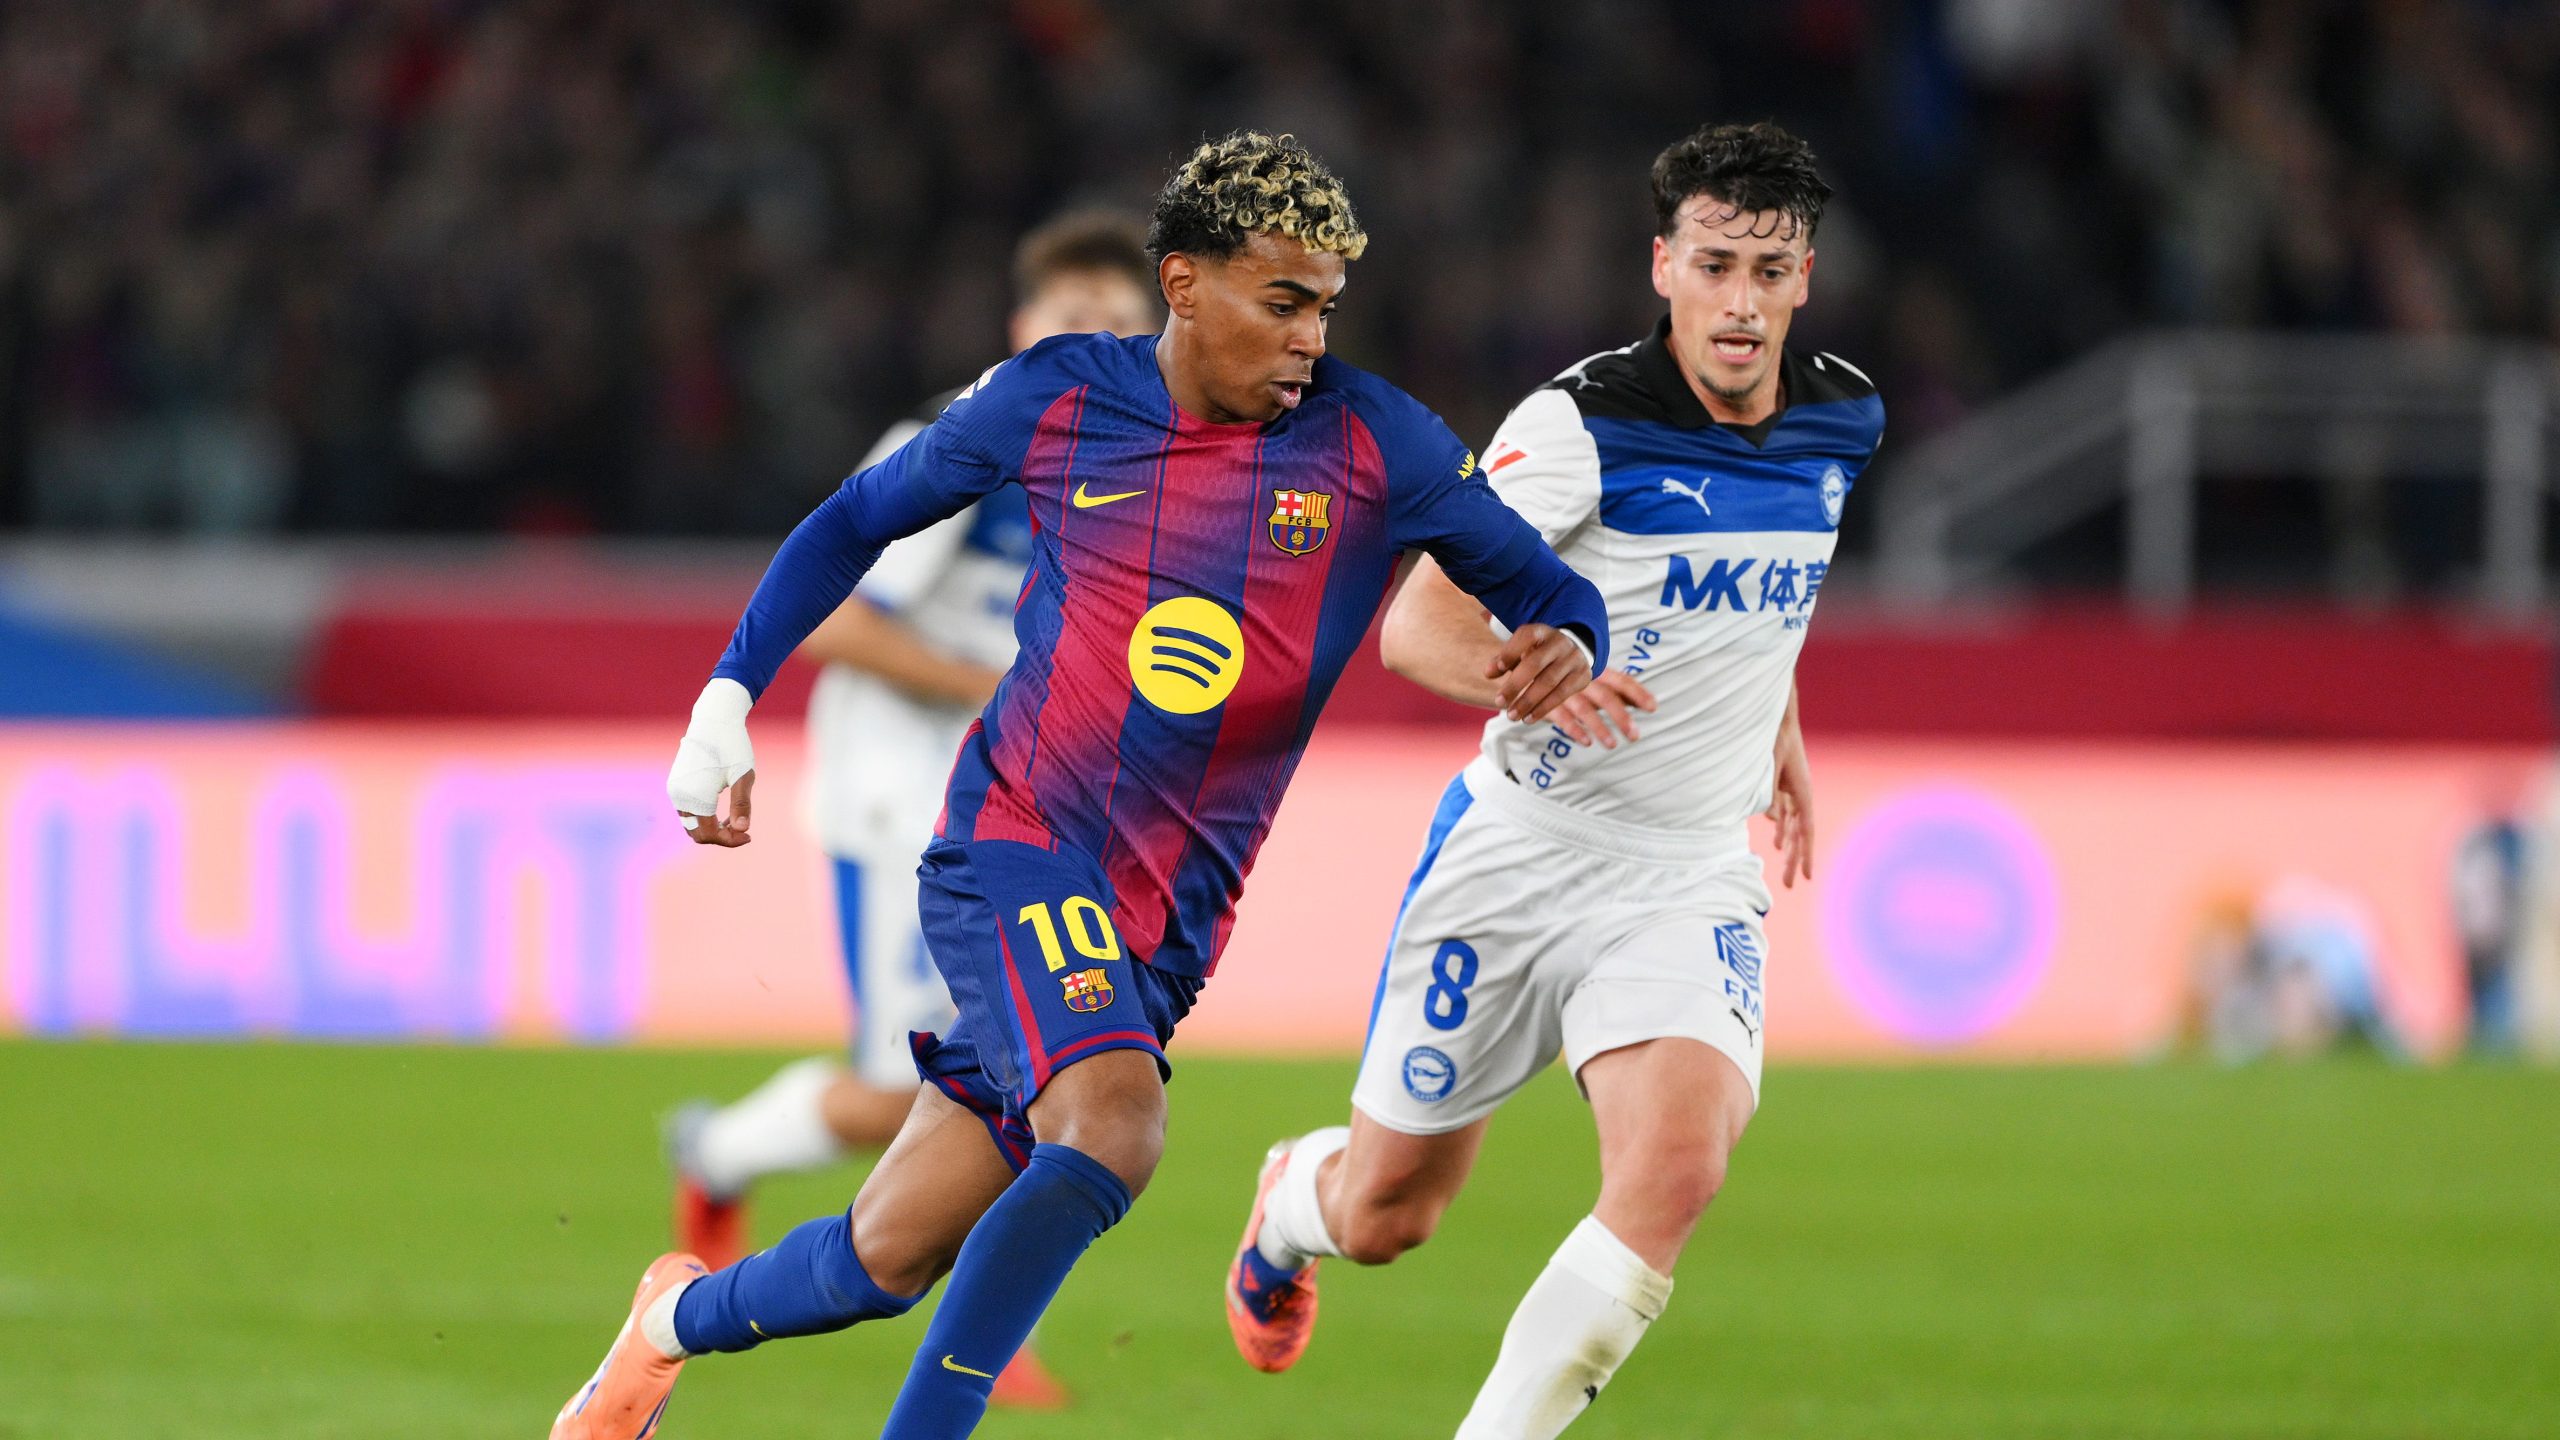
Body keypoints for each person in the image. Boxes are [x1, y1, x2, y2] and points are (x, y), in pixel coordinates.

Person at [552, 130, 1609, 1440]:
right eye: (1283, 302)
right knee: (1114, 1127)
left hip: (1168, 925)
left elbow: (1550, 591)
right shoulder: (1055, 397)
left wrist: (1570, 643)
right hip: (1016, 847)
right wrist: (726, 698)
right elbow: (854, 520)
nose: (1309, 340)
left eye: (1326, 309)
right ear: (1184, 284)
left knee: (884, 1258)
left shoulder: (1375, 440)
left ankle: (662, 1327)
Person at [1223, 122, 1882, 1440]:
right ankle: (1293, 1198)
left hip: (1686, 873)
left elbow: (1767, 599)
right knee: (1389, 1214)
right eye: (1714, 267)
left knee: (1677, 1168)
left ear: (1804, 278)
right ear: (1663, 266)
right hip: (1523, 853)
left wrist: (1781, 728)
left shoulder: (1842, 416)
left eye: (1768, 271)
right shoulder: (1578, 428)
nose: (1740, 304)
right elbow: (1416, 626)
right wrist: (1535, 682)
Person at [661, 210, 1159, 1411]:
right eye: (1071, 321)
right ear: (1021, 329)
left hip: (1028, 804)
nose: (1094, 343)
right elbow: (836, 617)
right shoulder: (964, 440)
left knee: (1021, 1068)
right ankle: (721, 1150)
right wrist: (995, 687)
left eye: (1119, 325)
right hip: (901, 793)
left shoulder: (1151, 467)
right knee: (913, 1084)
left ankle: (980, 1314)